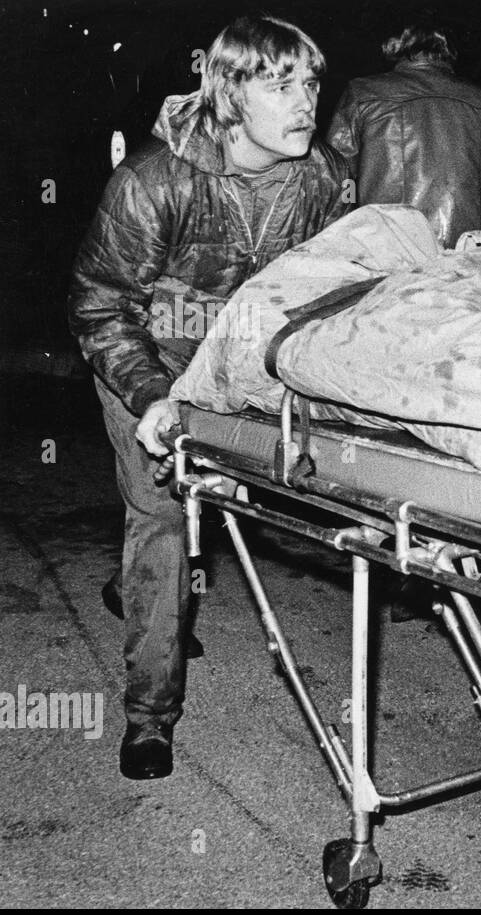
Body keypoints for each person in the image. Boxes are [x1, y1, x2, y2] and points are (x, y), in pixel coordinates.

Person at [68, 15, 351, 780]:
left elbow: (335, 292)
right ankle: (150, 716)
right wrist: (153, 396)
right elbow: (100, 304)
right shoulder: (155, 181)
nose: (306, 102)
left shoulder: (321, 178)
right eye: (281, 83)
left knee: (225, 506)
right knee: (161, 517)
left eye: (312, 82)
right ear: (229, 95)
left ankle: (141, 594)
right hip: (148, 361)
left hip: (239, 368)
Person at [326, 19, 481, 248]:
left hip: (385, 256)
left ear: (393, 46)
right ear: (450, 51)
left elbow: (335, 183)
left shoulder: (362, 93)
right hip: (464, 262)